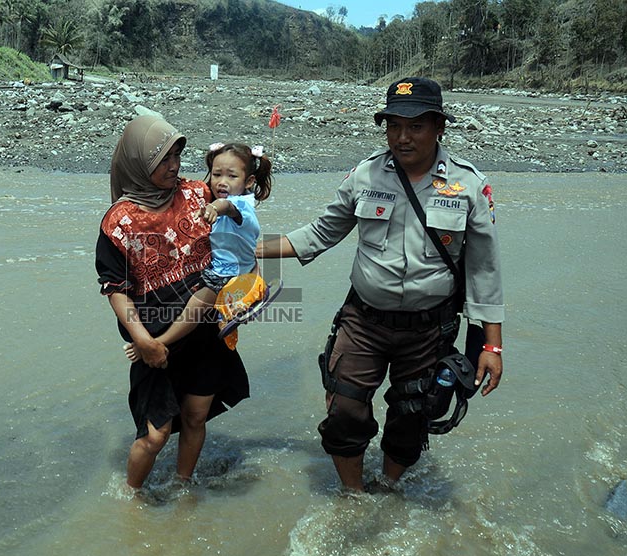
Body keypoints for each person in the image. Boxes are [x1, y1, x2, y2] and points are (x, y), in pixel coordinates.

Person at [257, 77, 504, 492]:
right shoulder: (365, 175)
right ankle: (353, 496)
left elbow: (485, 271)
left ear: (439, 127)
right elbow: (319, 233)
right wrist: (249, 250)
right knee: (343, 414)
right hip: (364, 323)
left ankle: (388, 488)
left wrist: (492, 347)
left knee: (413, 418)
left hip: (429, 330)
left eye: (415, 127)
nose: (402, 137)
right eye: (393, 126)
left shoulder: (469, 186)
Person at [96, 115, 250, 490]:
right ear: (138, 163)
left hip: (205, 331)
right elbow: (114, 288)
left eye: (177, 156)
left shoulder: (198, 194)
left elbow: (242, 212)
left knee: (196, 417)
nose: (174, 166)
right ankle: (130, 500)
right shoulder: (119, 222)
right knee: (155, 435)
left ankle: (183, 486)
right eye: (163, 159)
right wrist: (143, 340)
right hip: (153, 341)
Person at [123, 141, 273, 359]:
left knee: (194, 309)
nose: (222, 182)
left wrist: (213, 208)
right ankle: (235, 307)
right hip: (240, 268)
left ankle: (157, 343)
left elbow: (228, 208)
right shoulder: (235, 198)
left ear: (249, 181)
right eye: (216, 174)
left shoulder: (240, 205)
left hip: (224, 274)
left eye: (231, 176)